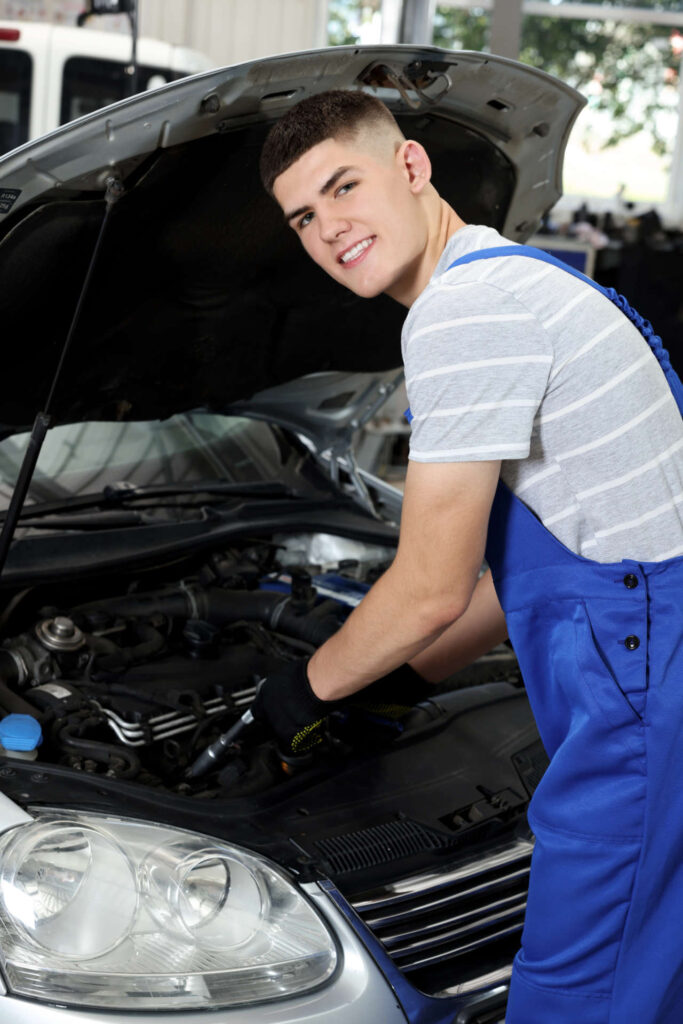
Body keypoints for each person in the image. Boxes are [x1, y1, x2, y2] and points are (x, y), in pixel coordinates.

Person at [253, 89, 683, 1024]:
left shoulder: (462, 313)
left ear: (412, 168)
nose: (329, 228)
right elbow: (540, 561)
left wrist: (307, 690)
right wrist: (401, 684)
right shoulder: (521, 277)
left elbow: (430, 586)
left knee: (579, 994)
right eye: (303, 217)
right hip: (652, 648)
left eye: (342, 187)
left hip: (641, 686)